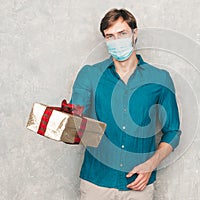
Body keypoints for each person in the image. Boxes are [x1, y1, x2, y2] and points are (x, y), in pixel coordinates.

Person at [70, 8, 182, 200]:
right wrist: (66, 120)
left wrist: (151, 165)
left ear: (134, 33)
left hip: (139, 184)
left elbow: (173, 132)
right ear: (104, 39)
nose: (117, 41)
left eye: (122, 34)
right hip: (96, 182)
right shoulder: (89, 74)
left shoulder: (160, 79)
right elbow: (73, 120)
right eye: (110, 36)